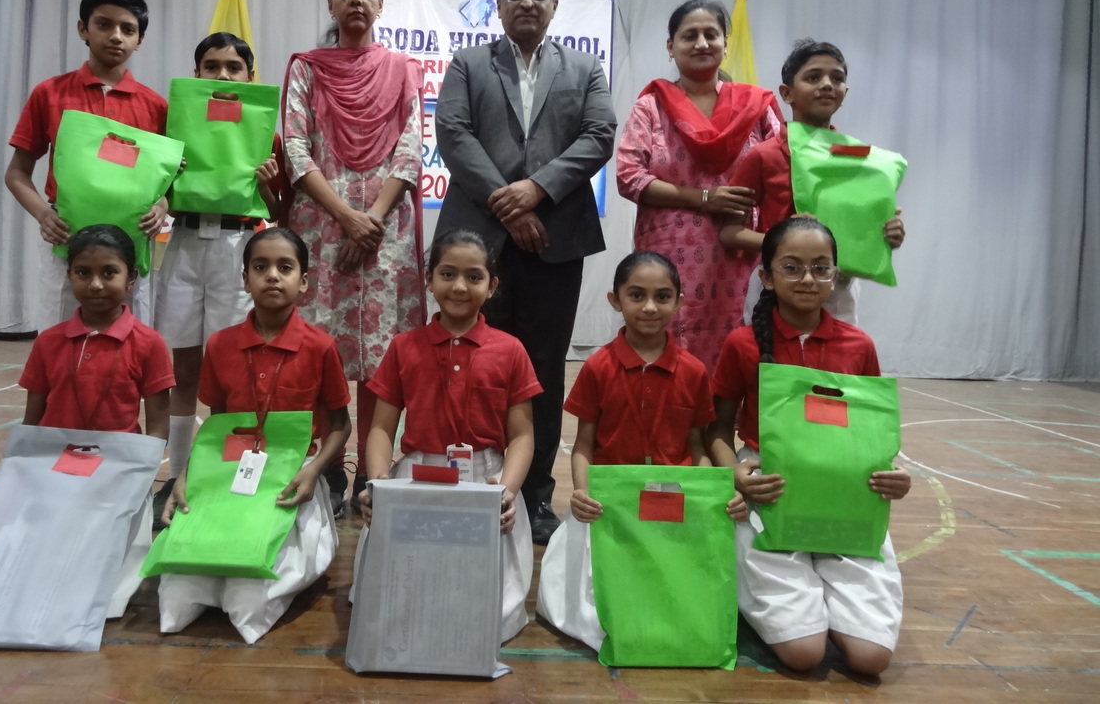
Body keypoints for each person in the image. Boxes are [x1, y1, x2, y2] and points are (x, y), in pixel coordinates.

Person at [434, 0, 617, 544]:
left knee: (540, 367)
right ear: (499, 2)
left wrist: (536, 190)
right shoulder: (468, 64)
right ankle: (468, 478)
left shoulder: (584, 68)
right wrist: (507, 205)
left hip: (555, 241)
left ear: (556, 4)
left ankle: (535, 494)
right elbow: (453, 134)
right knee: (468, 360)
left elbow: (600, 135)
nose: (528, 1)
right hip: (476, 244)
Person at [706, 216, 910, 675]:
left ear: (835, 274)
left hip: (846, 494)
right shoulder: (742, 344)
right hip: (769, 488)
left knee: (871, 658)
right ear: (766, 277)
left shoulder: (859, 346)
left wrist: (893, 474)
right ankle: (799, 597)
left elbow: (871, 437)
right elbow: (716, 430)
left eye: (821, 267)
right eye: (792, 267)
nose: (808, 279)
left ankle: (827, 589)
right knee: (804, 653)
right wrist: (735, 473)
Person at [535, 251, 746, 650]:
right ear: (615, 300)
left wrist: (718, 491)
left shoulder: (694, 371)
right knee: (585, 605)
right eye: (636, 295)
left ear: (679, 301)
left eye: (662, 296)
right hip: (611, 504)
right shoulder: (597, 367)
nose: (649, 307)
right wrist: (582, 492)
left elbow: (698, 446)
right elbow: (583, 445)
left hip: (674, 504)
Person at [158, 227, 352, 644]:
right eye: (260, 267)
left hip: (291, 479)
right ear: (245, 279)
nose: (272, 276)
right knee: (178, 592)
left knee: (249, 598)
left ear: (304, 281)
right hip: (230, 472)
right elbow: (217, 427)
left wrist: (315, 471)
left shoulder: (320, 347)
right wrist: (188, 475)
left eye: (285, 267)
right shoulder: (220, 345)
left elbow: (340, 425)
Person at [283, 0, 425, 514]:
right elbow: (296, 149)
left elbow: (410, 150)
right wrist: (347, 217)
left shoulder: (402, 69)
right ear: (330, 4)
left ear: (381, 3)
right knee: (324, 350)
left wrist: (372, 222)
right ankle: (325, 470)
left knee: (379, 356)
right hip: (323, 228)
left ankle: (371, 471)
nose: (356, 0)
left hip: (385, 233)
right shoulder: (307, 69)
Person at [356, 229, 539, 641]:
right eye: (448, 273)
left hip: (486, 481)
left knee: (483, 615)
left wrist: (507, 491)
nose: (459, 286)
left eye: (474, 277)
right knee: (400, 607)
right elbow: (381, 428)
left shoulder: (510, 350)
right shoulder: (404, 346)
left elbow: (522, 436)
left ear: (492, 286)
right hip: (416, 477)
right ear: (428, 279)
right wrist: (379, 483)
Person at [152, 32, 286, 526]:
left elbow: (279, 209)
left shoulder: (265, 130)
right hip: (184, 242)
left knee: (231, 368)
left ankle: (223, 474)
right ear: (196, 73)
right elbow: (158, 192)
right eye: (212, 66)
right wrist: (169, 179)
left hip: (238, 246)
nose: (223, 75)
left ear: (250, 76)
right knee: (184, 367)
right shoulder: (177, 125)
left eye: (234, 67)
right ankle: (178, 474)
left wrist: (268, 185)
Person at [616, 0, 783, 373]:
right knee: (670, 345)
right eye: (689, 35)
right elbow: (629, 176)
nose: (702, 43)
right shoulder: (651, 107)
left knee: (739, 345)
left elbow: (785, 172)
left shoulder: (756, 106)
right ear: (670, 46)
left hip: (739, 254)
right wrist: (705, 198)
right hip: (669, 253)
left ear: (726, 43)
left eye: (711, 34)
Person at [5, 0, 169, 330]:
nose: (116, 36)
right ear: (83, 28)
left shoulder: (156, 106)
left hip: (132, 239)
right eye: (104, 24)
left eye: (128, 29)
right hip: (66, 236)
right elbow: (17, 173)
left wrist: (163, 206)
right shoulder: (50, 94)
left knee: (131, 336)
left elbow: (170, 179)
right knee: (60, 331)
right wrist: (43, 216)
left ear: (139, 40)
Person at [719, 40, 905, 325]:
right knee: (773, 355)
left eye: (837, 78)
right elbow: (729, 232)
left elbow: (857, 228)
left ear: (845, 92)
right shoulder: (764, 155)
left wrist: (885, 234)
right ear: (787, 93)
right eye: (813, 77)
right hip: (777, 288)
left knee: (834, 355)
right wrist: (785, 238)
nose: (827, 84)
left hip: (837, 288)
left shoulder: (858, 160)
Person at [19, 224, 172, 437]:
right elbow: (31, 421)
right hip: (53, 455)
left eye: (109, 273)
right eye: (83, 273)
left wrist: (146, 458)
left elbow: (159, 425)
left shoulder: (150, 343)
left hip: (119, 456)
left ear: (131, 279)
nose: (96, 284)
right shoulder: (47, 342)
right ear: (69, 276)